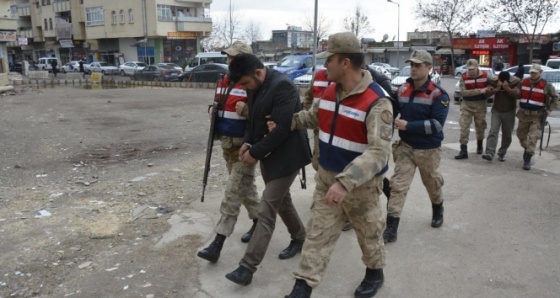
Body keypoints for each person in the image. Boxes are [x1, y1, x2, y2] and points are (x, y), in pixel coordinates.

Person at [285, 32, 392, 298]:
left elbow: (379, 152)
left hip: (360, 188)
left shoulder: (377, 101)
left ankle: (375, 273)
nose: (324, 66)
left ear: (345, 62)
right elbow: (313, 117)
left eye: (328, 60)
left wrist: (345, 182)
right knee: (317, 235)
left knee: (369, 236)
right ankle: (302, 287)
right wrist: (285, 122)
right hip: (326, 181)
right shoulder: (331, 91)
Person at [224, 53, 311, 286]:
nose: (244, 88)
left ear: (258, 73)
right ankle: (300, 237)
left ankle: (247, 267)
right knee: (283, 202)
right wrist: (247, 142)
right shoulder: (254, 86)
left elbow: (281, 130)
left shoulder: (283, 87)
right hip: (268, 153)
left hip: (288, 155)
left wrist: (254, 153)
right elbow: (255, 121)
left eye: (245, 83)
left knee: (267, 207)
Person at [196, 42, 261, 264]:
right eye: (228, 57)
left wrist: (248, 110)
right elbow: (218, 104)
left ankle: (218, 242)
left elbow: (264, 113)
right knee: (245, 189)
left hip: (245, 147)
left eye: (233, 58)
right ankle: (260, 222)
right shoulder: (224, 80)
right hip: (227, 144)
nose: (228, 61)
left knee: (233, 192)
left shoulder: (252, 83)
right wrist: (212, 110)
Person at [384, 50, 450, 243]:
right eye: (411, 65)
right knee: (398, 186)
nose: (413, 69)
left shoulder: (439, 95)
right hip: (406, 147)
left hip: (429, 150)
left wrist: (408, 126)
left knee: (432, 183)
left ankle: (438, 208)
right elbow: (392, 108)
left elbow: (437, 125)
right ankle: (391, 228)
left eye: (418, 65)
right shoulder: (403, 89)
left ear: (429, 68)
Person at [516, 64, 559, 170]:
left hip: (537, 116)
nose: (533, 74)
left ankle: (528, 158)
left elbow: (555, 98)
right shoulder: (524, 82)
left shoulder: (546, 85)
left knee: (533, 137)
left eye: (535, 72)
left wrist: (549, 110)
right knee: (521, 135)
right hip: (523, 114)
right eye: (531, 72)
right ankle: (527, 150)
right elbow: (516, 93)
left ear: (540, 73)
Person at [482, 71, 521, 162]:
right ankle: (490, 153)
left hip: (509, 111)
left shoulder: (516, 81)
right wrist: (497, 88)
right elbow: (486, 94)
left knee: (507, 134)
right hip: (496, 110)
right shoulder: (494, 81)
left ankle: (502, 152)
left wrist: (508, 89)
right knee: (493, 131)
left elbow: (518, 95)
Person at [455, 59, 488, 159]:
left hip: (480, 105)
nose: (471, 71)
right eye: (469, 69)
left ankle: (479, 145)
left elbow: (492, 85)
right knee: (464, 127)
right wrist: (479, 91)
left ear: (477, 67)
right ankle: (463, 150)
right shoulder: (464, 77)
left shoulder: (486, 76)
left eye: (473, 69)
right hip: (467, 105)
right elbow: (464, 92)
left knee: (480, 126)